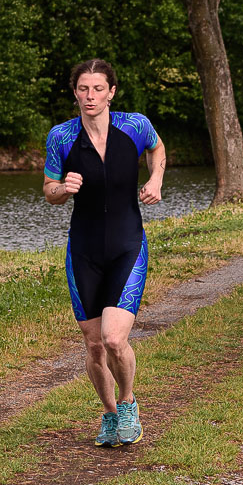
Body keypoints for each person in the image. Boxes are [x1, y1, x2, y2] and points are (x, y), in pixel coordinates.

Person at [43, 58, 165, 447]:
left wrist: (156, 177)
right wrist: (63, 188)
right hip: (84, 251)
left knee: (114, 339)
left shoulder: (135, 126)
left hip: (128, 245)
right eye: (83, 89)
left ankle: (129, 403)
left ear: (111, 92)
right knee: (94, 345)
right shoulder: (61, 137)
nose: (90, 96)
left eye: (98, 89)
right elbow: (48, 191)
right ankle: (110, 415)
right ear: (74, 92)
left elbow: (157, 148)